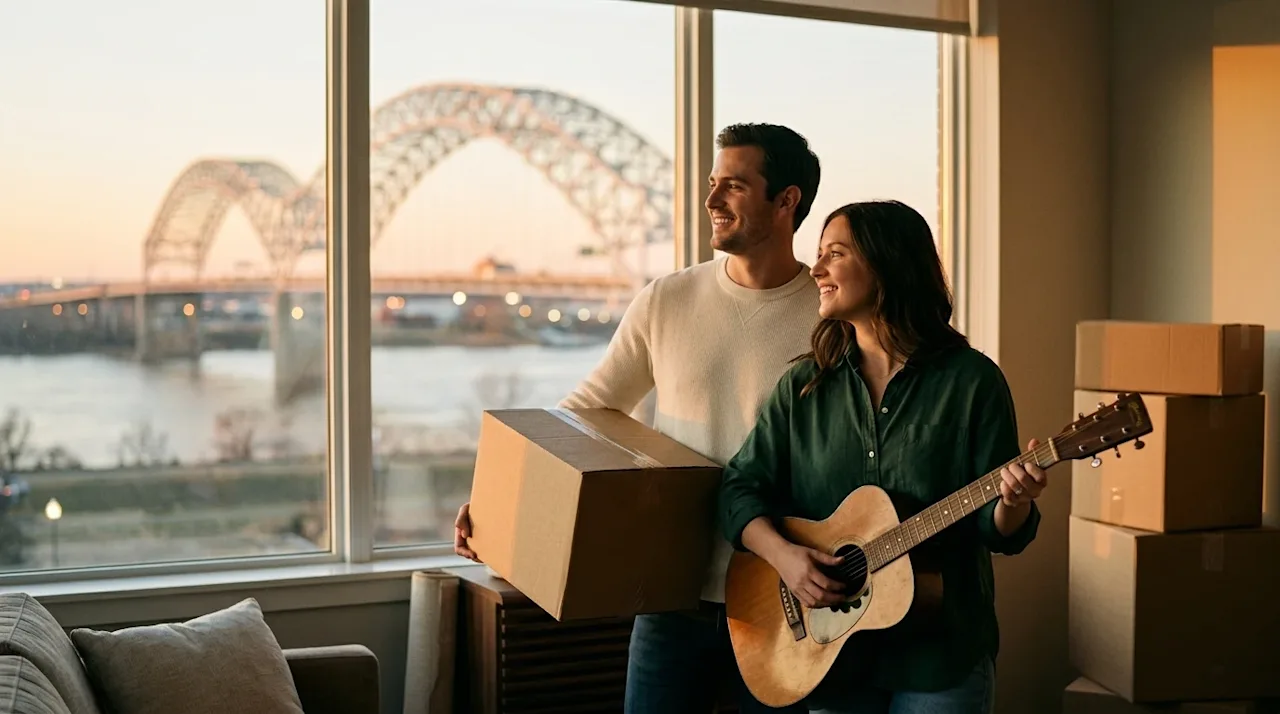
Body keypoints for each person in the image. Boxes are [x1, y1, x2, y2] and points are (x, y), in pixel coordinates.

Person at [454, 122, 823, 713]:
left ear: (786, 201)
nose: (710, 201)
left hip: (785, 605)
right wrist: (498, 504)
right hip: (669, 597)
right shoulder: (666, 300)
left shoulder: (831, 319)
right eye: (711, 183)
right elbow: (585, 413)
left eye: (733, 186)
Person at [718, 200, 1047, 714]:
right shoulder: (804, 387)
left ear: (887, 264)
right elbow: (739, 488)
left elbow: (1001, 531)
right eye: (819, 253)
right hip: (830, 654)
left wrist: (1015, 501)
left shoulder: (972, 382)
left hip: (940, 653)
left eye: (835, 254)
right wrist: (786, 558)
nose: (817, 269)